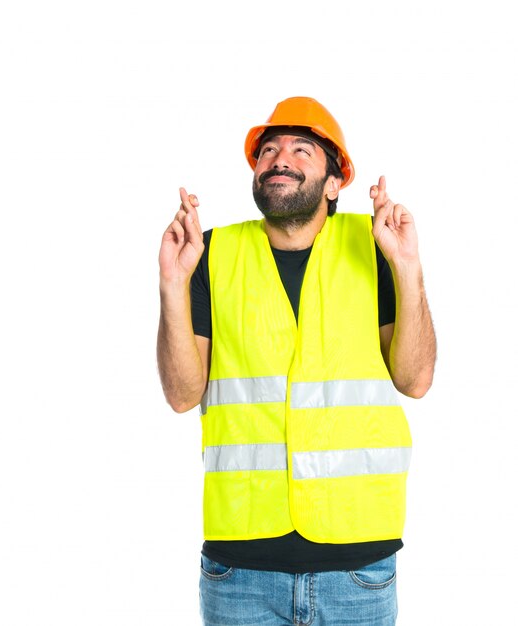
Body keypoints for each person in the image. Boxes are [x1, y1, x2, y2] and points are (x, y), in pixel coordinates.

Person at [157, 96, 436, 626]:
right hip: (239, 568)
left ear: (335, 183)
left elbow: (415, 379)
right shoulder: (209, 254)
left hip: (358, 564)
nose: (279, 158)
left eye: (301, 149)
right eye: (268, 151)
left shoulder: (377, 246)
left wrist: (408, 270)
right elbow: (181, 394)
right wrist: (173, 283)